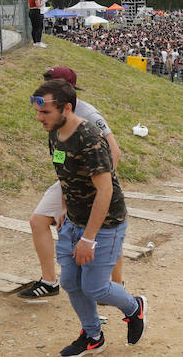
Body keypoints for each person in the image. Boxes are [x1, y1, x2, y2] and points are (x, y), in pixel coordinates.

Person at [31, 79, 145, 355]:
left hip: (105, 223)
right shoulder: (55, 133)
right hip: (74, 219)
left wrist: (89, 239)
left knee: (95, 287)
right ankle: (93, 336)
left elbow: (105, 191)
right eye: (38, 111)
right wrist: (64, 208)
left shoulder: (89, 139)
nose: (39, 117)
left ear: (66, 108)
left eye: (45, 111)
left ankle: (134, 307)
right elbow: (66, 176)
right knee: (70, 282)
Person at [21, 66, 124, 299]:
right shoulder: (52, 114)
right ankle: (49, 282)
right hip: (68, 180)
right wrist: (65, 202)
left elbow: (115, 153)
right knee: (38, 221)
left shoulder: (89, 116)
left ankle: (118, 285)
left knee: (107, 230)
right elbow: (58, 157)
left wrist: (99, 188)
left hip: (94, 182)